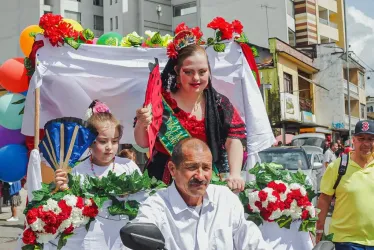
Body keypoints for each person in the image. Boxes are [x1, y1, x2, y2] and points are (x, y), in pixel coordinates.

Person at [134, 25, 247, 192]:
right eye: (188, 72)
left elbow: (233, 140)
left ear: (209, 72)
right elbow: (143, 143)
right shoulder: (160, 101)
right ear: (177, 71)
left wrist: (235, 173)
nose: (196, 78)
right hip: (163, 179)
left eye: (202, 72)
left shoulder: (219, 104)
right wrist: (142, 123)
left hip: (205, 180)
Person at [130, 138, 270, 250]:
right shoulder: (156, 206)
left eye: (206, 168)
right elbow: (140, 231)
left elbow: (251, 241)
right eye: (192, 167)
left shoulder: (225, 199)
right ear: (172, 169)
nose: (200, 176)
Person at [54, 100, 141, 250]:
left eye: (114, 141)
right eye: (102, 141)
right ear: (90, 142)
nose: (109, 147)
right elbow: (74, 210)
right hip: (91, 240)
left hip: (124, 238)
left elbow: (143, 200)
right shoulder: (79, 171)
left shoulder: (127, 167)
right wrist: (64, 190)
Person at [316, 120, 374, 249]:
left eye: (370, 139)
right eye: (361, 138)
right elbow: (324, 199)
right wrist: (319, 229)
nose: (366, 143)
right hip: (346, 241)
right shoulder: (338, 166)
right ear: (353, 140)